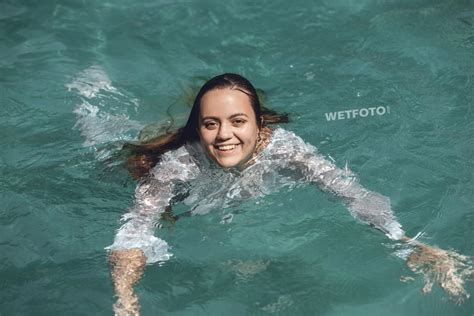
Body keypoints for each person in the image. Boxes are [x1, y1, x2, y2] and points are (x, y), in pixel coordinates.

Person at [107, 73, 472, 315]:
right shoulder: (176, 165)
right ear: (198, 128)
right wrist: (125, 296)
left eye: (237, 121)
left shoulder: (285, 149)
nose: (223, 136)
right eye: (210, 123)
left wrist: (405, 242)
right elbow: (135, 230)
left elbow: (350, 192)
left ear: (258, 124)